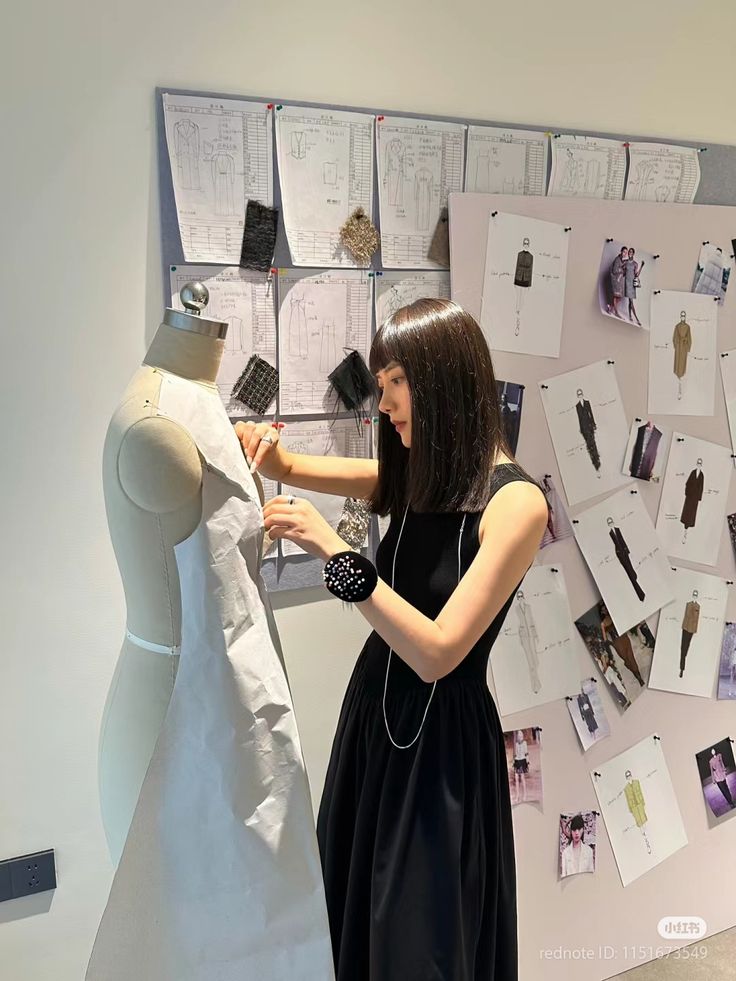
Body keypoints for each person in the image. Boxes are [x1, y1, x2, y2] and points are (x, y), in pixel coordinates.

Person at [235, 298, 549, 981]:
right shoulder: (422, 474)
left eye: (396, 382)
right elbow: (298, 466)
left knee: (420, 937)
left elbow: (438, 652)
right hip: (377, 721)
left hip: (440, 744)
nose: (385, 404)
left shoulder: (516, 503)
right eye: (380, 386)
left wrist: (336, 554)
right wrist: (267, 452)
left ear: (442, 376)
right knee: (358, 914)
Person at [624, 247, 644, 326]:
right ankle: (636, 318)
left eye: (631, 252)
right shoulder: (625, 262)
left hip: (632, 284)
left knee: (631, 301)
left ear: (633, 254)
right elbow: (623, 272)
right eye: (629, 252)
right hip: (626, 283)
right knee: (630, 301)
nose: (630, 253)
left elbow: (636, 275)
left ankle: (631, 316)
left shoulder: (635, 264)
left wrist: (641, 266)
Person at [607, 245, 628, 318]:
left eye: (626, 253)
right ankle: (616, 312)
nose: (625, 254)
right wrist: (622, 270)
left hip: (619, 281)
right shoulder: (617, 259)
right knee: (616, 296)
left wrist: (625, 270)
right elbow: (615, 270)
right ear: (621, 251)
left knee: (619, 297)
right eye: (624, 252)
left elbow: (622, 272)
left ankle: (610, 307)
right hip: (615, 281)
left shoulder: (622, 260)